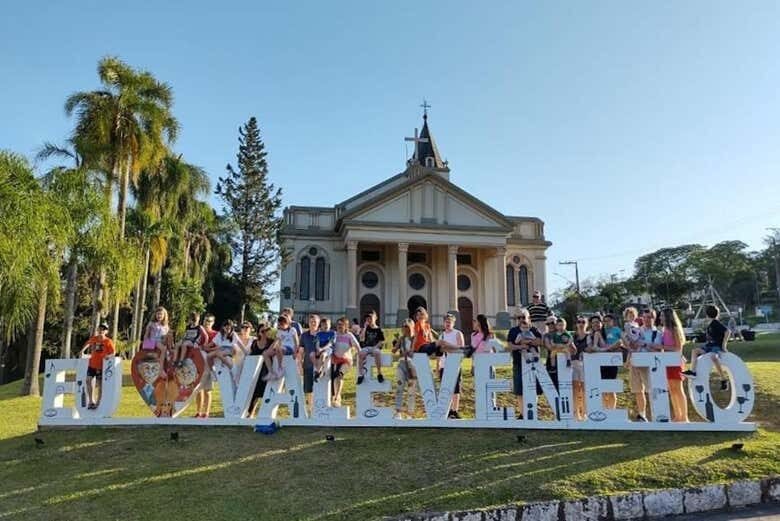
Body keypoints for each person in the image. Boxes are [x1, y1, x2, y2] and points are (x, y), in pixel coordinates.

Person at [647, 308, 690, 422]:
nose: (660, 318)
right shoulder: (664, 330)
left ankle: (684, 416)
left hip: (675, 362)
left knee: (678, 389)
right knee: (671, 389)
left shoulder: (674, 329)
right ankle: (677, 415)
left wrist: (660, 347)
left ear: (667, 317)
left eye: (662, 316)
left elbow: (678, 348)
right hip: (666, 362)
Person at [683, 305, 730, 391]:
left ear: (707, 315)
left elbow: (727, 331)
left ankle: (723, 379)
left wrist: (723, 345)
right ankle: (693, 372)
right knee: (695, 351)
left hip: (716, 347)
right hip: (709, 346)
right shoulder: (711, 324)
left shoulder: (715, 323)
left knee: (713, 357)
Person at [508, 310, 543, 418]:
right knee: (519, 389)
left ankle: (533, 411)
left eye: (523, 317)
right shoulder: (513, 331)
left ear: (528, 317)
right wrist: (521, 346)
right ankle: (523, 413)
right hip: (518, 362)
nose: (521, 319)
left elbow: (540, 342)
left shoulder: (533, 329)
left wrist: (527, 342)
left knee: (534, 389)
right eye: (518, 317)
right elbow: (510, 345)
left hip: (534, 364)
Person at [586, 315, 620, 409]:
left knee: (611, 389)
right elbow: (589, 348)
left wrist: (604, 348)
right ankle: (605, 411)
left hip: (610, 363)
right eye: (593, 323)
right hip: (597, 365)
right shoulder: (590, 335)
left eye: (597, 322)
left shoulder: (609, 332)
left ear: (601, 323)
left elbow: (617, 344)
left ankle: (612, 411)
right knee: (601, 390)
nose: (595, 324)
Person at [78, 323, 115, 410]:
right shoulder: (94, 339)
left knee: (99, 384)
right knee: (88, 380)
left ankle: (98, 403)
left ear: (106, 331)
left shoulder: (108, 341)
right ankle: (91, 401)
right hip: (92, 364)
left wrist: (108, 356)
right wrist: (82, 351)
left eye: (103, 329)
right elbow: (88, 343)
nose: (101, 330)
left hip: (101, 366)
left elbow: (113, 353)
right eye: (100, 329)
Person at [624, 307, 649, 422]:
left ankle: (649, 412)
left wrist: (639, 343)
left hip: (643, 358)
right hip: (634, 358)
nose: (631, 316)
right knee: (637, 389)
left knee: (649, 388)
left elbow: (638, 340)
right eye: (629, 314)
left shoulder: (640, 326)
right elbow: (631, 340)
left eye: (633, 314)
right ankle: (641, 413)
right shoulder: (627, 326)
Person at [438, 313, 465, 418]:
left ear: (453, 323)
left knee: (455, 388)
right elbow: (439, 352)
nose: (448, 323)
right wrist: (438, 366)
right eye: (446, 321)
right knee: (445, 389)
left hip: (454, 364)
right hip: (444, 364)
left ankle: (454, 410)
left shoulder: (458, 333)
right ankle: (446, 410)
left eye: (450, 322)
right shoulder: (442, 335)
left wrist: (448, 348)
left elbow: (461, 349)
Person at [392, 319, 417, 419]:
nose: (405, 329)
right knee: (399, 388)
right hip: (402, 364)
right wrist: (396, 345)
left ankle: (410, 413)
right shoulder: (401, 339)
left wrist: (408, 352)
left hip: (412, 365)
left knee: (411, 390)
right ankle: (398, 411)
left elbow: (414, 351)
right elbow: (394, 350)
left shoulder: (415, 338)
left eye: (407, 327)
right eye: (404, 327)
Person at [331, 317, 360, 407]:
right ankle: (333, 397)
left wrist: (361, 355)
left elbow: (358, 347)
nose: (339, 326)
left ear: (346, 325)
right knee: (332, 378)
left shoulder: (349, 335)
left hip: (346, 361)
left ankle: (337, 397)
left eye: (341, 324)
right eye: (338, 324)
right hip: (334, 360)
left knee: (339, 376)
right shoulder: (334, 335)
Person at [249, 322, 275, 415]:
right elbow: (251, 354)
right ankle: (251, 413)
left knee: (266, 393)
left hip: (267, 371)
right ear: (258, 332)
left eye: (266, 331)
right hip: (255, 372)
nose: (264, 333)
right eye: (262, 331)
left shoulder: (272, 342)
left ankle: (265, 414)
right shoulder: (254, 343)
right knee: (254, 393)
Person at [195, 312, 218, 419]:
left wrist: (206, 349)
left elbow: (218, 348)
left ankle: (206, 413)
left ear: (213, 323)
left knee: (207, 390)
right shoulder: (198, 332)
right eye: (205, 321)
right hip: (198, 365)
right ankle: (198, 412)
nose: (207, 323)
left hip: (210, 366)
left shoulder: (216, 334)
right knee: (198, 390)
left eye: (209, 321)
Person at [264, 314, 300, 381]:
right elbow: (275, 341)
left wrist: (295, 352)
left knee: (279, 348)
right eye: (280, 324)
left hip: (289, 349)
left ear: (287, 323)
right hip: (280, 349)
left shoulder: (292, 330)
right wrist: (269, 350)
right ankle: (271, 372)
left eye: (283, 324)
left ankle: (280, 368)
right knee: (265, 353)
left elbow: (296, 342)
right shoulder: (279, 331)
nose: (281, 325)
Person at [544, 317, 574, 391]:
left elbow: (574, 350)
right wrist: (560, 345)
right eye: (548, 324)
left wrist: (567, 344)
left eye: (552, 323)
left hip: (564, 362)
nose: (550, 325)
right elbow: (550, 347)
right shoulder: (547, 335)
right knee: (553, 388)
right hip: (552, 363)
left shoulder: (565, 334)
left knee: (565, 388)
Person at [357, 310, 385, 385]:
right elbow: (361, 338)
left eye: (370, 318)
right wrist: (365, 328)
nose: (368, 320)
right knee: (361, 353)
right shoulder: (365, 329)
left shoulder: (379, 329)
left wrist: (375, 347)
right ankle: (361, 374)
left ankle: (379, 373)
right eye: (367, 319)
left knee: (377, 352)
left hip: (375, 347)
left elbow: (381, 341)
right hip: (366, 347)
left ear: (375, 318)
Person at [299, 314, 321, 411]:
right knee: (308, 388)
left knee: (320, 388)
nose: (313, 323)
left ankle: (320, 408)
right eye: (311, 321)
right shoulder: (304, 335)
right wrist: (299, 364)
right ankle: (310, 408)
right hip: (307, 365)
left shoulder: (322, 334)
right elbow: (301, 351)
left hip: (320, 367)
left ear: (318, 323)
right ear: (308, 322)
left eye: (315, 322)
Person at [141, 306, 170, 375]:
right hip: (152, 341)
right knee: (163, 349)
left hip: (161, 342)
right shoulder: (152, 324)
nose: (159, 316)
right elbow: (146, 334)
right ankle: (160, 369)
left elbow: (166, 336)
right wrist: (145, 342)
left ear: (164, 315)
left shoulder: (165, 326)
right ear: (155, 315)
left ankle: (168, 366)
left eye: (161, 314)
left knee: (168, 350)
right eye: (158, 314)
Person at [571, 317, 589, 420]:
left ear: (586, 324)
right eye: (579, 322)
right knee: (575, 389)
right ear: (576, 324)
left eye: (583, 322)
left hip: (585, 364)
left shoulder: (589, 336)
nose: (581, 324)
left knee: (584, 388)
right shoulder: (572, 336)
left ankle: (585, 413)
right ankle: (576, 412)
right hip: (574, 363)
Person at [312, 317, 335, 382]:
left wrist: (321, 349)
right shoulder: (318, 334)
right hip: (320, 349)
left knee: (323, 355)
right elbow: (317, 343)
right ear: (321, 326)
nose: (325, 326)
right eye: (323, 325)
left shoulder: (332, 333)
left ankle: (318, 372)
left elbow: (330, 344)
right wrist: (318, 349)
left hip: (328, 349)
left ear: (330, 325)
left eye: (327, 324)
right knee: (314, 355)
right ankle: (318, 372)